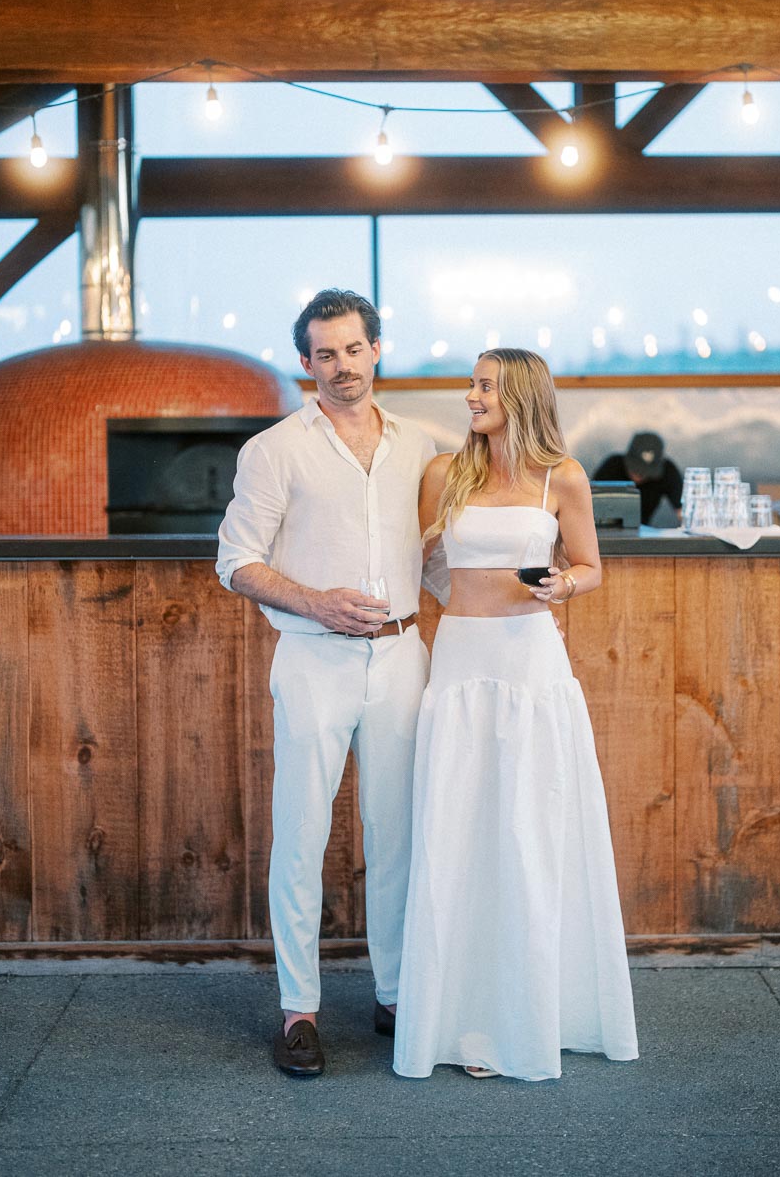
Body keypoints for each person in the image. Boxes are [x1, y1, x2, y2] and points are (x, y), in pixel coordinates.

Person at [394, 348, 638, 1082]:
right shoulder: (445, 473)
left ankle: (535, 1015)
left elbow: (591, 566)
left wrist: (565, 585)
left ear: (521, 396)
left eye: (484, 386)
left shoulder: (562, 477)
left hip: (532, 667)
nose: (470, 396)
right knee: (459, 833)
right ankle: (461, 1018)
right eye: (472, 383)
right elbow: (423, 565)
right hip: (462, 664)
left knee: (531, 833)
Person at [216, 289, 435, 1078]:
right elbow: (234, 562)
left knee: (399, 832)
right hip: (313, 657)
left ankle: (399, 995)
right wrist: (316, 602)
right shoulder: (275, 449)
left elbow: (433, 555)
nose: (341, 367)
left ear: (378, 350)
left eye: (353, 349)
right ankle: (298, 1011)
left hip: (405, 655)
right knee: (302, 835)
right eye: (324, 355)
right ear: (305, 363)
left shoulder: (422, 446)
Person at [593, 430, 683, 526]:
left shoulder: (668, 471)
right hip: (602, 532)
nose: (639, 476)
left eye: (646, 472)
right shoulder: (612, 466)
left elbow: (684, 511)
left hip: (641, 534)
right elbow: (586, 503)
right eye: (636, 470)